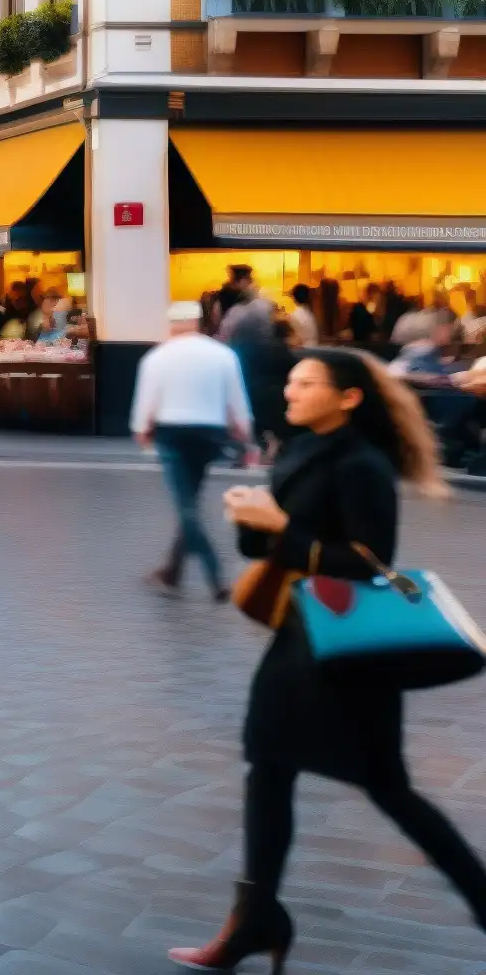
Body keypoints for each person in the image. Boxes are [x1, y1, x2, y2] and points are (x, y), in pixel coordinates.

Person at [171, 350, 486, 970]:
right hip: (298, 638)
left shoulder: (362, 465)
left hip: (347, 656)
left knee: (388, 790)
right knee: (267, 768)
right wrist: (250, 520)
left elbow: (369, 564)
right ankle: (255, 920)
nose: (291, 389)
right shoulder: (296, 449)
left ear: (347, 398)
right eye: (290, 379)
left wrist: (280, 524)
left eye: (307, 382)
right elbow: (271, 543)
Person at [131, 302, 252, 601]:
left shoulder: (157, 357)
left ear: (171, 324)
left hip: (172, 433)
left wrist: (142, 429)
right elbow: (237, 399)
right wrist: (245, 436)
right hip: (210, 435)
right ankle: (172, 572)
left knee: (187, 508)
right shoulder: (223, 354)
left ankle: (215, 578)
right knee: (190, 502)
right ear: (198, 322)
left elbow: (146, 401)